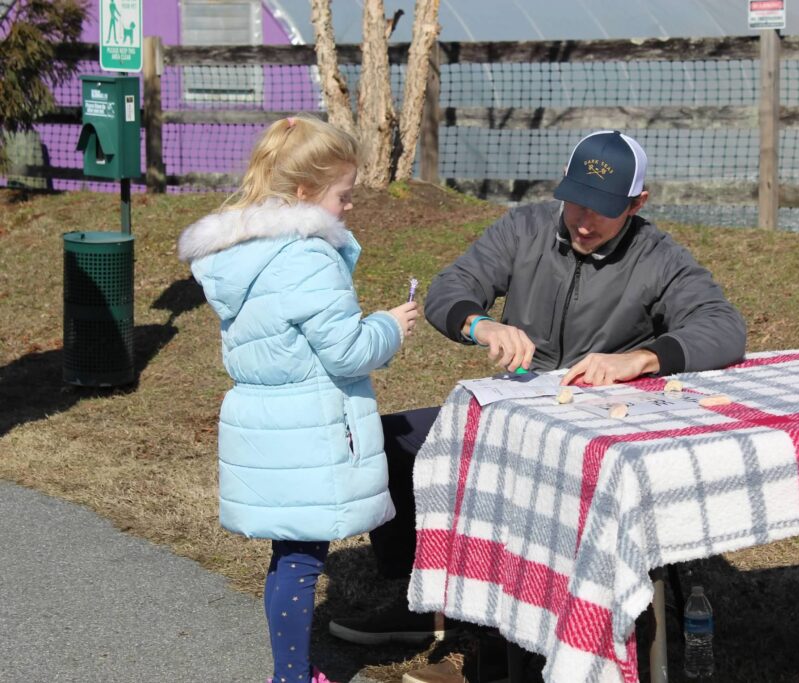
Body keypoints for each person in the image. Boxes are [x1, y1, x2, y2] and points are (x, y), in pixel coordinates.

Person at [329, 130, 747, 683]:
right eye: (575, 199)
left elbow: (725, 328)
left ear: (637, 204)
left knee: (529, 486)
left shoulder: (659, 256)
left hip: (591, 428)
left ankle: (516, 643)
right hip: (515, 409)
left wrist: (641, 359)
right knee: (389, 442)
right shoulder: (525, 227)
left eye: (603, 210)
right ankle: (430, 604)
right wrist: (480, 323)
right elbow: (450, 287)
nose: (583, 220)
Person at [178, 114, 419, 683]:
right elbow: (346, 351)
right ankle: (290, 677)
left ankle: (291, 670)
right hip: (307, 426)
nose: (349, 206)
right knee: (302, 561)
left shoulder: (245, 253)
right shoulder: (308, 257)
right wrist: (391, 325)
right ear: (307, 192)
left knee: (289, 557)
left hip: (267, 419)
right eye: (344, 194)